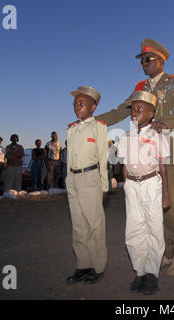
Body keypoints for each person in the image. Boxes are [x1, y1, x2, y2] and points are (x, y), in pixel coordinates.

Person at [95, 38, 174, 276]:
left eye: (148, 59)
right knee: (154, 205)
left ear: (160, 60)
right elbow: (123, 109)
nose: (144, 64)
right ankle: (164, 252)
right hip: (145, 149)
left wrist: (165, 123)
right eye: (142, 60)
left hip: (170, 145)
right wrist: (96, 120)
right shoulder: (141, 86)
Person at [117, 90, 170, 295]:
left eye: (140, 109)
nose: (134, 113)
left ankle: (152, 274)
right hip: (132, 185)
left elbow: (162, 166)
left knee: (154, 229)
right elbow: (124, 165)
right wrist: (126, 186)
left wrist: (165, 194)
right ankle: (139, 271)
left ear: (151, 113)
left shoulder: (157, 135)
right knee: (133, 230)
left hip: (151, 184)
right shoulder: (125, 136)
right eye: (133, 109)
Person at [66, 86, 108, 285]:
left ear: (93, 107)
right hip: (73, 179)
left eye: (81, 104)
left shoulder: (98, 127)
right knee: (78, 225)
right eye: (75, 104)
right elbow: (69, 158)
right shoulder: (71, 129)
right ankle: (83, 265)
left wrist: (104, 185)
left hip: (90, 177)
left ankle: (98, 267)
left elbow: (103, 157)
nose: (77, 107)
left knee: (94, 225)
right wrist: (68, 179)